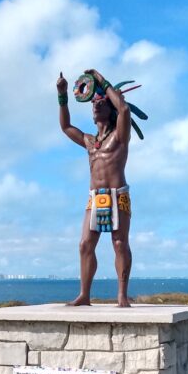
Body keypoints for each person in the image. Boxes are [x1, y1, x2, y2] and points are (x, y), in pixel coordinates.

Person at [57, 68, 133, 307]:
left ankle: (121, 295)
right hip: (95, 197)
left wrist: (101, 80)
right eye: (93, 103)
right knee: (85, 245)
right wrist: (62, 95)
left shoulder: (120, 135)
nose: (96, 105)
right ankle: (84, 294)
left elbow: (124, 109)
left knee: (119, 243)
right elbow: (66, 126)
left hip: (117, 195)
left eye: (101, 102)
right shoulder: (89, 141)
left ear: (110, 109)